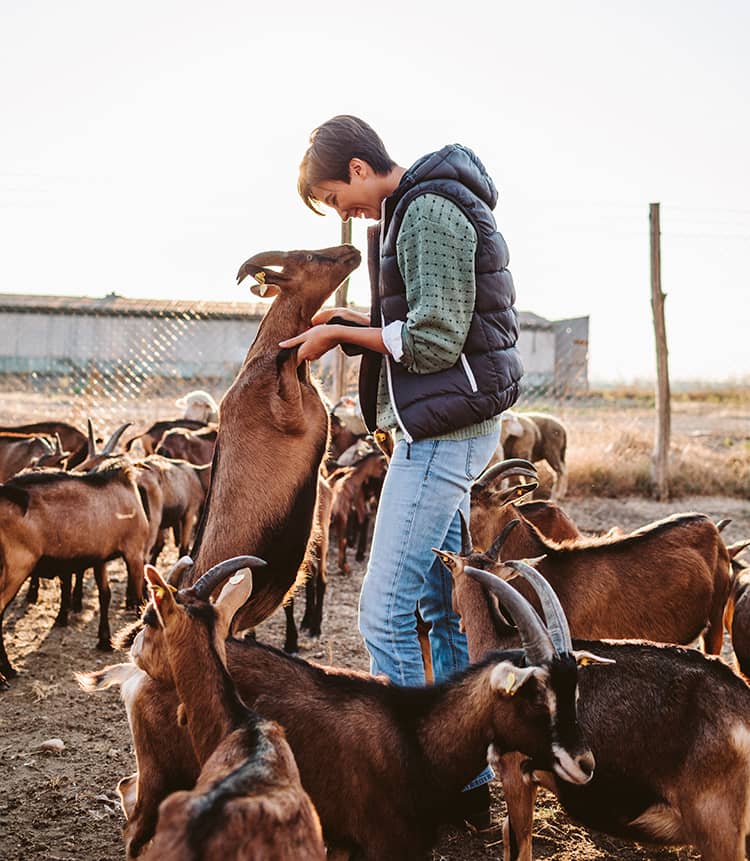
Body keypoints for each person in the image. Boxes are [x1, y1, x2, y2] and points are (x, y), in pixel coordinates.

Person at [281, 115, 523, 830]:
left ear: (359, 168)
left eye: (334, 197)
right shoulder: (419, 206)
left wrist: (337, 333)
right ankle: (468, 779)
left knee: (380, 612)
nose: (341, 215)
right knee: (434, 610)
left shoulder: (425, 211)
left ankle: (413, 783)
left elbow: (436, 337)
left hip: (441, 436)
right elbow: (425, 315)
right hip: (448, 429)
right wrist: (355, 316)